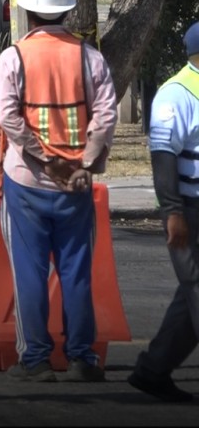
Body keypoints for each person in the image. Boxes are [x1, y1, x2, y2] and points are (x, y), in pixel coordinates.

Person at [0, 0, 118, 382]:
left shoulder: (13, 57)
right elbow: (105, 115)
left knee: (29, 272)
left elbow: (9, 118)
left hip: (26, 184)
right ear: (64, 12)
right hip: (75, 189)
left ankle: (36, 361)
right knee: (75, 271)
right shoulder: (89, 57)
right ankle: (83, 357)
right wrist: (84, 163)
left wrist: (42, 158)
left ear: (28, 12)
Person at [126, 21, 199, 403]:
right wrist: (172, 212)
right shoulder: (176, 94)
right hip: (189, 209)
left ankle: (152, 371)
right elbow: (163, 158)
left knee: (190, 301)